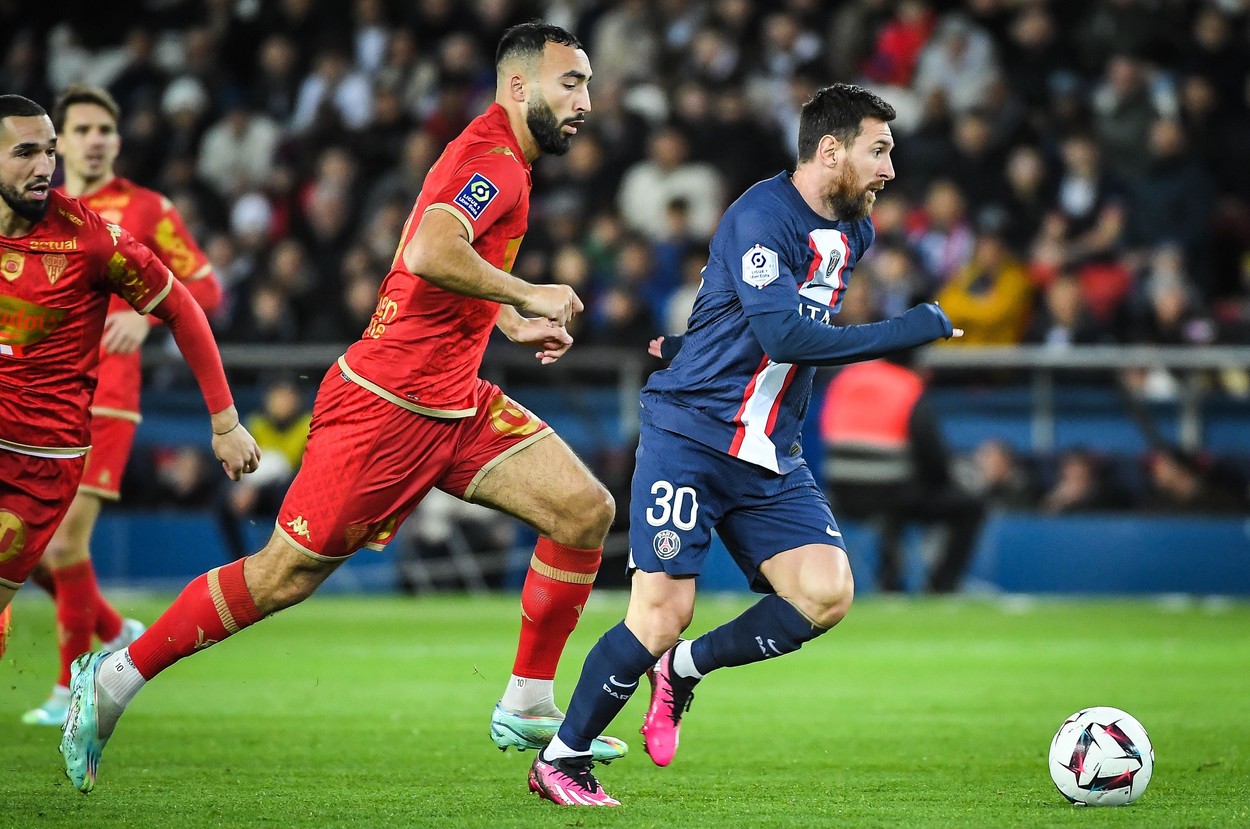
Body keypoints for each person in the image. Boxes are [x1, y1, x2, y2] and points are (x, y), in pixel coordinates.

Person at [61, 22, 625, 795]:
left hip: (455, 400)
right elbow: (430, 249)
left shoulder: (499, 157)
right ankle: (114, 677)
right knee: (282, 576)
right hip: (385, 408)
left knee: (584, 509)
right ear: (519, 85)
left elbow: (422, 265)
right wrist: (530, 291)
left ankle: (528, 699)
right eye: (572, 83)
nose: (585, 101)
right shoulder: (492, 158)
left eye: (588, 84)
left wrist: (505, 318)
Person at [527, 83, 961, 807]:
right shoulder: (761, 215)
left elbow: (756, 313)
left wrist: (693, 341)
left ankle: (685, 671)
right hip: (690, 434)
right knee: (662, 612)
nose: (890, 169)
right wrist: (906, 330)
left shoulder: (856, 231)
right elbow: (783, 335)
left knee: (825, 594)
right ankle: (562, 759)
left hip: (769, 450)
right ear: (831, 149)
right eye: (878, 150)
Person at [0, 95, 259, 663]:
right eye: (27, 152)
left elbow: (193, 300)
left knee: (66, 546)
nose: (44, 165)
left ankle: (77, 683)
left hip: (51, 443)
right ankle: (112, 634)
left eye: (47, 152)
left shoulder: (102, 230)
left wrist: (224, 420)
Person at [821, 352, 986, 594]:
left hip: (841, 495)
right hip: (894, 497)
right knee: (970, 507)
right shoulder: (907, 385)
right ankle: (940, 589)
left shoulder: (845, 379)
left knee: (894, 503)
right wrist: (947, 481)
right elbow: (931, 453)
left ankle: (889, 579)